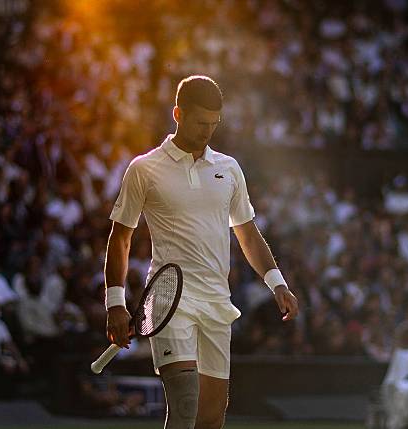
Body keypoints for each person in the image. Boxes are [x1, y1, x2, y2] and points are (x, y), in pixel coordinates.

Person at [104, 75, 299, 429]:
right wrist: (115, 303)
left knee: (210, 419)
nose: (207, 131)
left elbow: (248, 234)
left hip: (217, 302)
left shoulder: (230, 169)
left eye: (214, 123)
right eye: (199, 123)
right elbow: (120, 238)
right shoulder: (143, 169)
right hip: (168, 301)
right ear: (178, 114)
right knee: (185, 404)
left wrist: (278, 284)